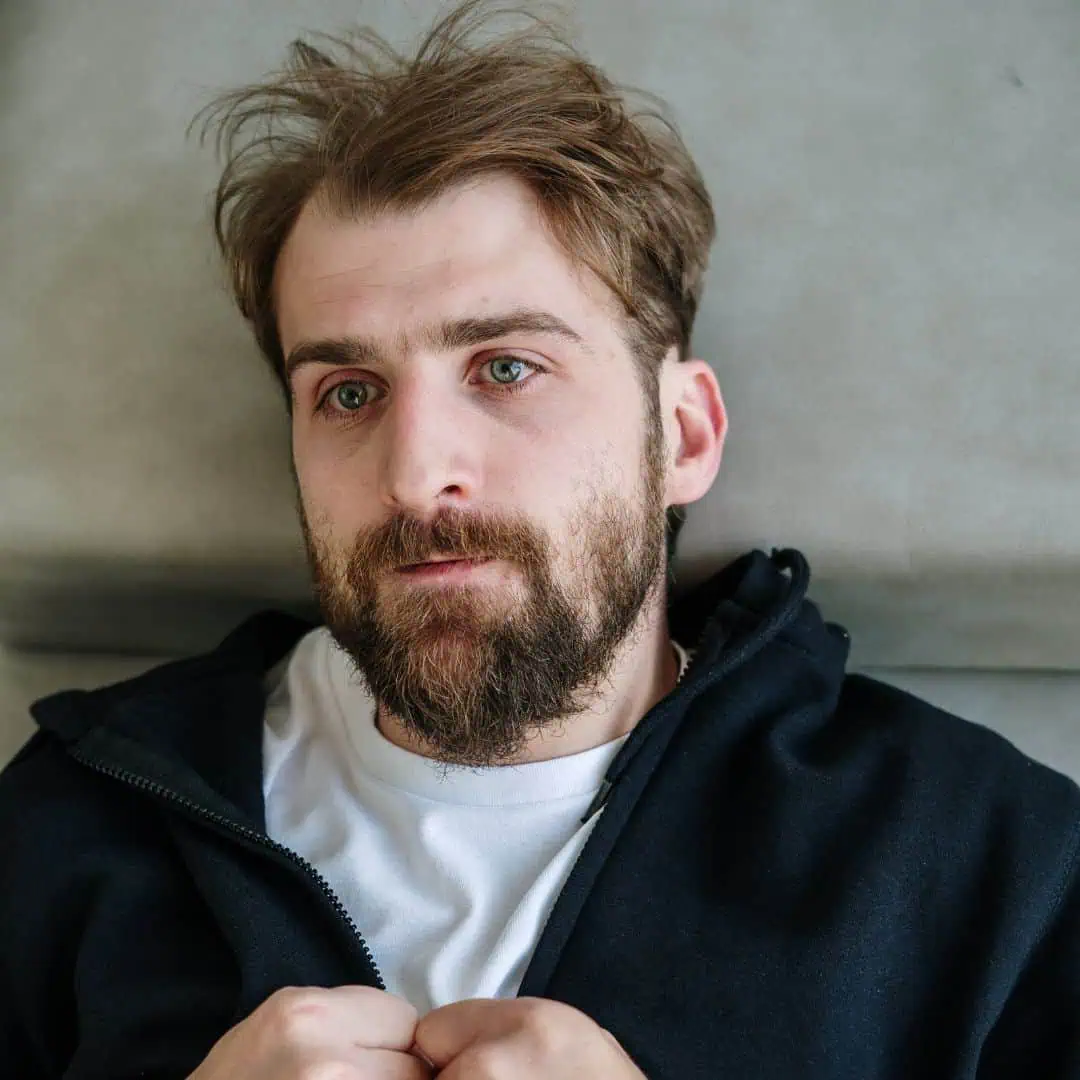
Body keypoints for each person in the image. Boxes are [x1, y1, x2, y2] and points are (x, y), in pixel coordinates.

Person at [1, 1, 1077, 1076]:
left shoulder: (996, 869)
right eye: (348, 391)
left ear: (684, 436)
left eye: (505, 368)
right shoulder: (69, 825)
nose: (417, 473)